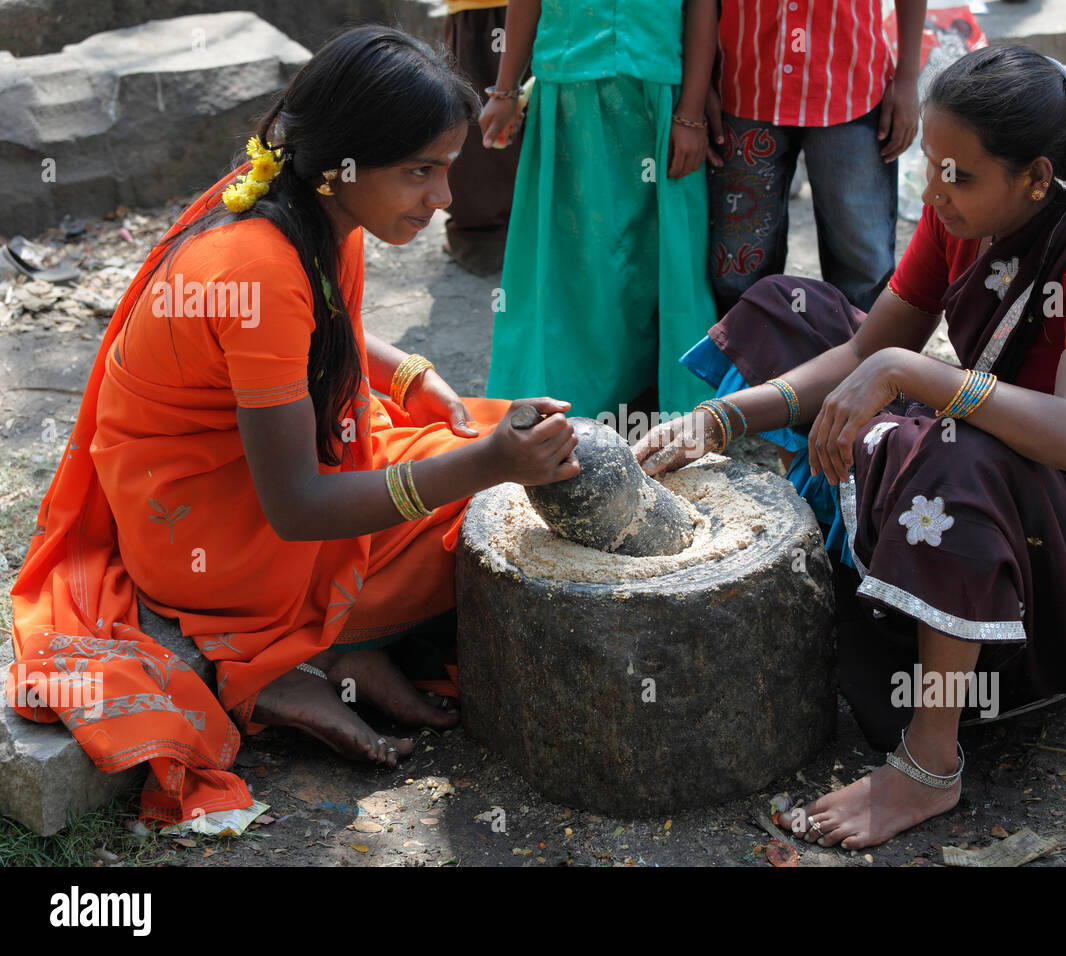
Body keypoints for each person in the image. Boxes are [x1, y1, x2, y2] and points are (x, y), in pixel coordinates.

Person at [6, 26, 580, 827]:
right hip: (221, 539)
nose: (443, 199)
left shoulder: (295, 200)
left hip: (247, 488)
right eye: (420, 172)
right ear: (345, 160)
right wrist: (487, 464)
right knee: (487, 516)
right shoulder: (256, 265)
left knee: (499, 446)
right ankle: (284, 658)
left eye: (446, 170)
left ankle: (334, 653)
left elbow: (326, 326)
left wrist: (411, 376)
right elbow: (299, 508)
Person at [634, 45, 1066, 850]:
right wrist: (722, 419)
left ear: (1038, 178)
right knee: (788, 306)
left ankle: (931, 761)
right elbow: (867, 346)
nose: (936, 192)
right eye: (933, 166)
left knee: (947, 457)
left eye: (959, 175)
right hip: (995, 463)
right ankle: (857, 538)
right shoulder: (961, 217)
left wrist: (914, 375)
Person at [479, 0, 719, 424]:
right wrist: (505, 90)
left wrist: (692, 113)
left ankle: (661, 406)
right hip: (568, 97)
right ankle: (565, 406)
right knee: (572, 259)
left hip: (657, 96)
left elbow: (702, 7)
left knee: (655, 257)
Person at [706, 0, 927, 316]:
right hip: (745, 85)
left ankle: (859, 360)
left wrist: (907, 78)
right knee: (737, 266)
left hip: (851, 88)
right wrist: (701, 84)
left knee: (863, 262)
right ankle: (746, 359)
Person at [442, 0, 525, 275]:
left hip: (485, 12)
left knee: (478, 124)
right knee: (483, 123)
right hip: (487, 12)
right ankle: (500, 238)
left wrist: (504, 90)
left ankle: (484, 239)